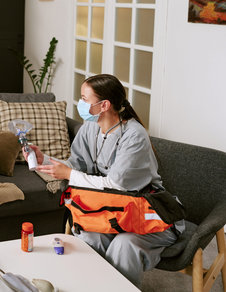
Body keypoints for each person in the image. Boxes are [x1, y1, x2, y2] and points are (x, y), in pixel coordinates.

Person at [24, 74, 181, 287]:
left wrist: (69, 174)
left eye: (84, 98)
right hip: (111, 211)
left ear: (104, 104)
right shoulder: (90, 128)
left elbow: (117, 185)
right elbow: (74, 166)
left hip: (148, 213)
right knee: (89, 240)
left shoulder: (134, 135)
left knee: (123, 246)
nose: (80, 104)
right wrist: (45, 159)